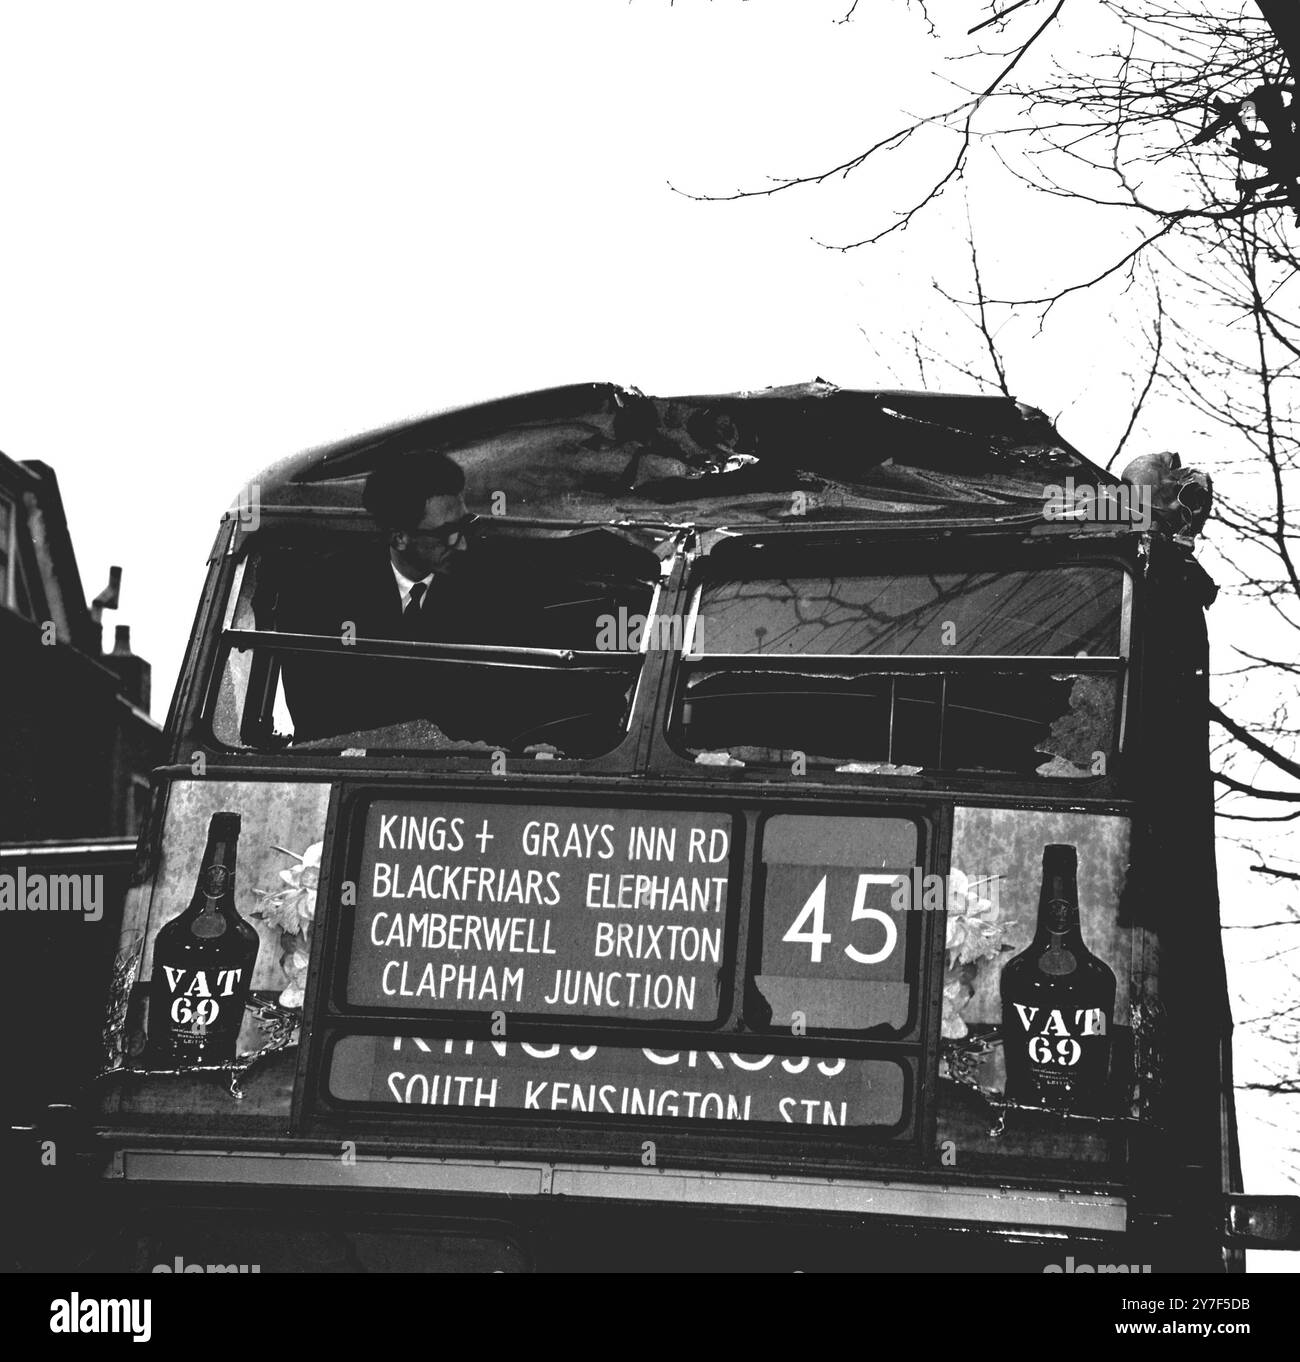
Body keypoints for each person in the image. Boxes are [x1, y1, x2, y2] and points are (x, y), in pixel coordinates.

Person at [280, 453, 488, 740]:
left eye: (467, 526)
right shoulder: (320, 594)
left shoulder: (487, 588)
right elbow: (317, 716)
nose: (463, 545)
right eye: (449, 534)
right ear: (399, 538)